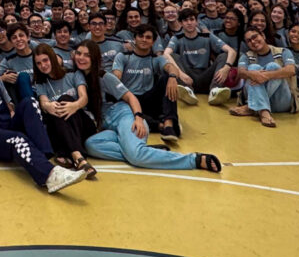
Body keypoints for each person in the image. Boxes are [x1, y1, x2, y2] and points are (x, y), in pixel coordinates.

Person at [0, 45, 88, 193]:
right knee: (17, 138)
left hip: (7, 126)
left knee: (29, 102)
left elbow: (9, 106)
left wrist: (14, 113)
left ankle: (44, 155)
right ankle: (49, 176)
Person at [76, 40, 220, 173]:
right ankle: (144, 151)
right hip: (109, 125)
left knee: (136, 157)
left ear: (94, 58)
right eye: (78, 53)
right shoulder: (76, 77)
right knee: (91, 145)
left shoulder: (104, 76)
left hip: (124, 116)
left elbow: (130, 97)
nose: (81, 58)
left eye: (87, 55)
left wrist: (138, 118)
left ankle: (194, 159)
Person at [111, 24, 184, 141]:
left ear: (153, 41)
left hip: (149, 100)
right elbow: (116, 76)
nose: (144, 40)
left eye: (148, 37)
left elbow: (172, 68)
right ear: (135, 38)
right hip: (129, 100)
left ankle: (169, 125)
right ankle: (161, 125)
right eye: (141, 36)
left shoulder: (156, 59)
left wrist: (172, 76)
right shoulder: (123, 57)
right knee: (128, 116)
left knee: (167, 78)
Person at [33, 44, 96, 177]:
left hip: (82, 124)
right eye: (38, 63)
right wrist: (47, 106)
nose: (43, 65)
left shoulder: (73, 74)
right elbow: (43, 101)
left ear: (52, 58)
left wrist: (74, 105)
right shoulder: (41, 83)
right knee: (55, 107)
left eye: (45, 60)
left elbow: (84, 98)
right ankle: (78, 157)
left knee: (65, 98)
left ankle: (66, 153)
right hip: (60, 128)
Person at [161, 9, 236, 105]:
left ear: (196, 21)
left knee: (224, 55)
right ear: (181, 23)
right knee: (173, 56)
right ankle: (188, 91)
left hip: (205, 75)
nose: (189, 23)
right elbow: (165, 54)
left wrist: (226, 68)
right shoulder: (177, 38)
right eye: (185, 20)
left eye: (192, 19)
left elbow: (231, 51)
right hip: (187, 77)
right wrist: (180, 74)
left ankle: (215, 90)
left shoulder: (207, 36)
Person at [229, 30, 298, 128]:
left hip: (280, 100)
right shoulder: (246, 56)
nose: (253, 41)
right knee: (253, 69)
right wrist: (252, 74)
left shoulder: (283, 51)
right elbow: (241, 72)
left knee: (273, 66)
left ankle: (251, 107)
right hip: (254, 97)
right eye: (249, 40)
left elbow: (291, 70)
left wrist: (267, 76)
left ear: (263, 35)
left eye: (255, 37)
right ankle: (264, 112)